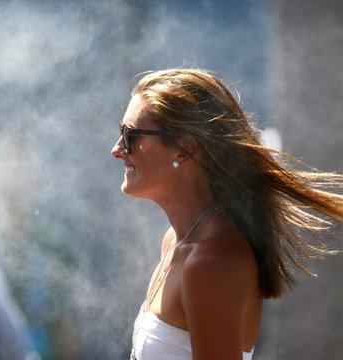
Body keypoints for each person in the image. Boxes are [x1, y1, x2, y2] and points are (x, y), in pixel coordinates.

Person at [110, 68, 343, 360]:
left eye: (130, 135)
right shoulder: (176, 241)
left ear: (183, 150)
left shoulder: (210, 262)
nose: (117, 149)